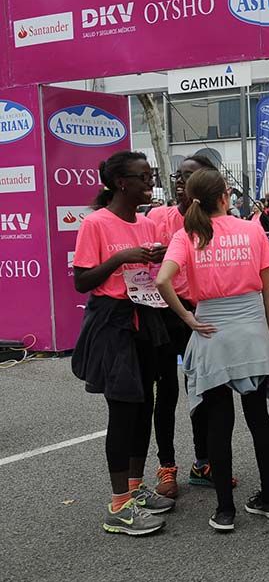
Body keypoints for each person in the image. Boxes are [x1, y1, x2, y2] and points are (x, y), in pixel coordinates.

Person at [155, 168, 269, 532]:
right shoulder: (251, 228)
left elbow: (163, 280)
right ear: (226, 196)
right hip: (251, 329)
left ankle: (225, 510)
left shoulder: (187, 235)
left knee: (218, 423)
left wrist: (189, 319)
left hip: (211, 330)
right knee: (259, 418)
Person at [71, 150, 174, 536]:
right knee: (123, 411)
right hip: (112, 322)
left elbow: (149, 273)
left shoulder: (147, 222)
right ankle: (119, 507)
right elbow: (82, 282)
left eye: (151, 175)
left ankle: (135, 488)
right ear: (121, 183)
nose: (150, 182)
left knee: (144, 403)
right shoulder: (96, 223)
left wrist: (157, 257)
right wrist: (122, 259)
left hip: (146, 318)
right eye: (143, 177)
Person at [146, 154, 225, 498]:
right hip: (163, 315)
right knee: (167, 393)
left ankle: (203, 463)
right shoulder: (156, 217)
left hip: (198, 313)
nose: (181, 181)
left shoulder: (216, 223)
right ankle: (167, 467)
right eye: (178, 176)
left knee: (203, 391)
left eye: (189, 176)